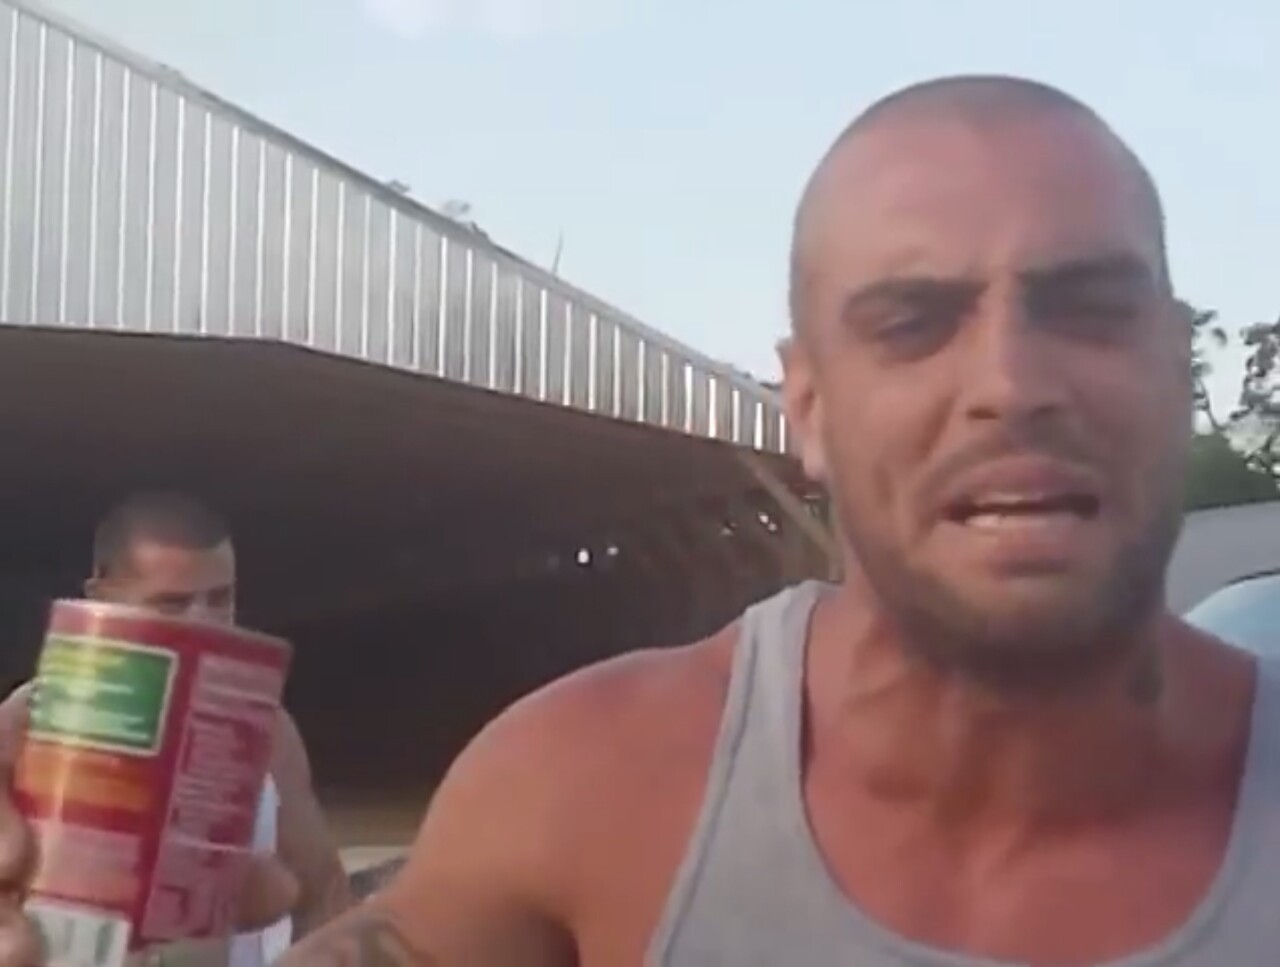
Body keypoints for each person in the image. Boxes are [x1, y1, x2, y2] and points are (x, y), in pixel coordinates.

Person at [2, 73, 1277, 965]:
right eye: (913, 322)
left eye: (1088, 309)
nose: (1008, 382)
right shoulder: (585, 790)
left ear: (1177, 362)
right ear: (807, 408)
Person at [0, 492, 350, 964]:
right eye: (172, 603)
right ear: (101, 597)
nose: (202, 622)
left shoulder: (267, 728)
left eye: (220, 599)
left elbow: (322, 887)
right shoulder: (31, 716)